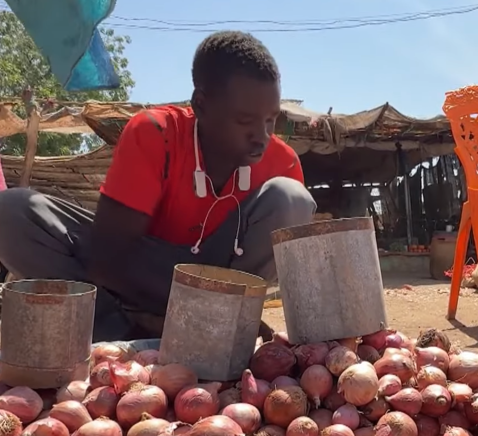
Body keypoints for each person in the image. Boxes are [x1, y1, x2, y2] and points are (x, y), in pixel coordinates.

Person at [0, 31, 317, 341]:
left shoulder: (282, 164)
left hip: (220, 290)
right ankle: (122, 333)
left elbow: (300, 272)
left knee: (292, 199)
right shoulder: (156, 133)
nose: (261, 136)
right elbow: (106, 256)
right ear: (202, 105)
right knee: (11, 212)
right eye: (245, 121)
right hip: (137, 277)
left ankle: (220, 330)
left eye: (269, 120)